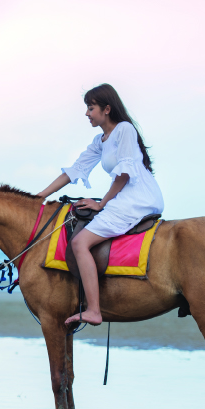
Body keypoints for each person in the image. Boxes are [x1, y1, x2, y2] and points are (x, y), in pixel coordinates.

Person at [36, 83, 164, 326]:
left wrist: (101, 203)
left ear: (106, 109)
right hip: (123, 196)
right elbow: (75, 171)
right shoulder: (100, 140)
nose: (86, 114)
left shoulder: (124, 130)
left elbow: (124, 174)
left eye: (90, 108)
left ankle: (94, 310)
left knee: (79, 242)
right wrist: (40, 196)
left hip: (137, 198)